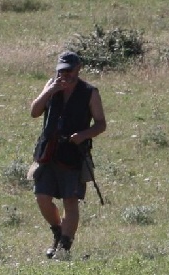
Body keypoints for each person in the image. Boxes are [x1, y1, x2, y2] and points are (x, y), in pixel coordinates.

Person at [29, 51, 106, 258]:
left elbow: (101, 124)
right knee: (42, 197)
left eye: (69, 71)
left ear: (78, 69)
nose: (65, 75)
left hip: (73, 155)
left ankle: (64, 246)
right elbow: (34, 112)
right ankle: (57, 232)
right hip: (47, 152)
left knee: (70, 201)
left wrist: (83, 135)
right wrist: (48, 92)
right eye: (62, 71)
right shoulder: (52, 86)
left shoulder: (90, 92)